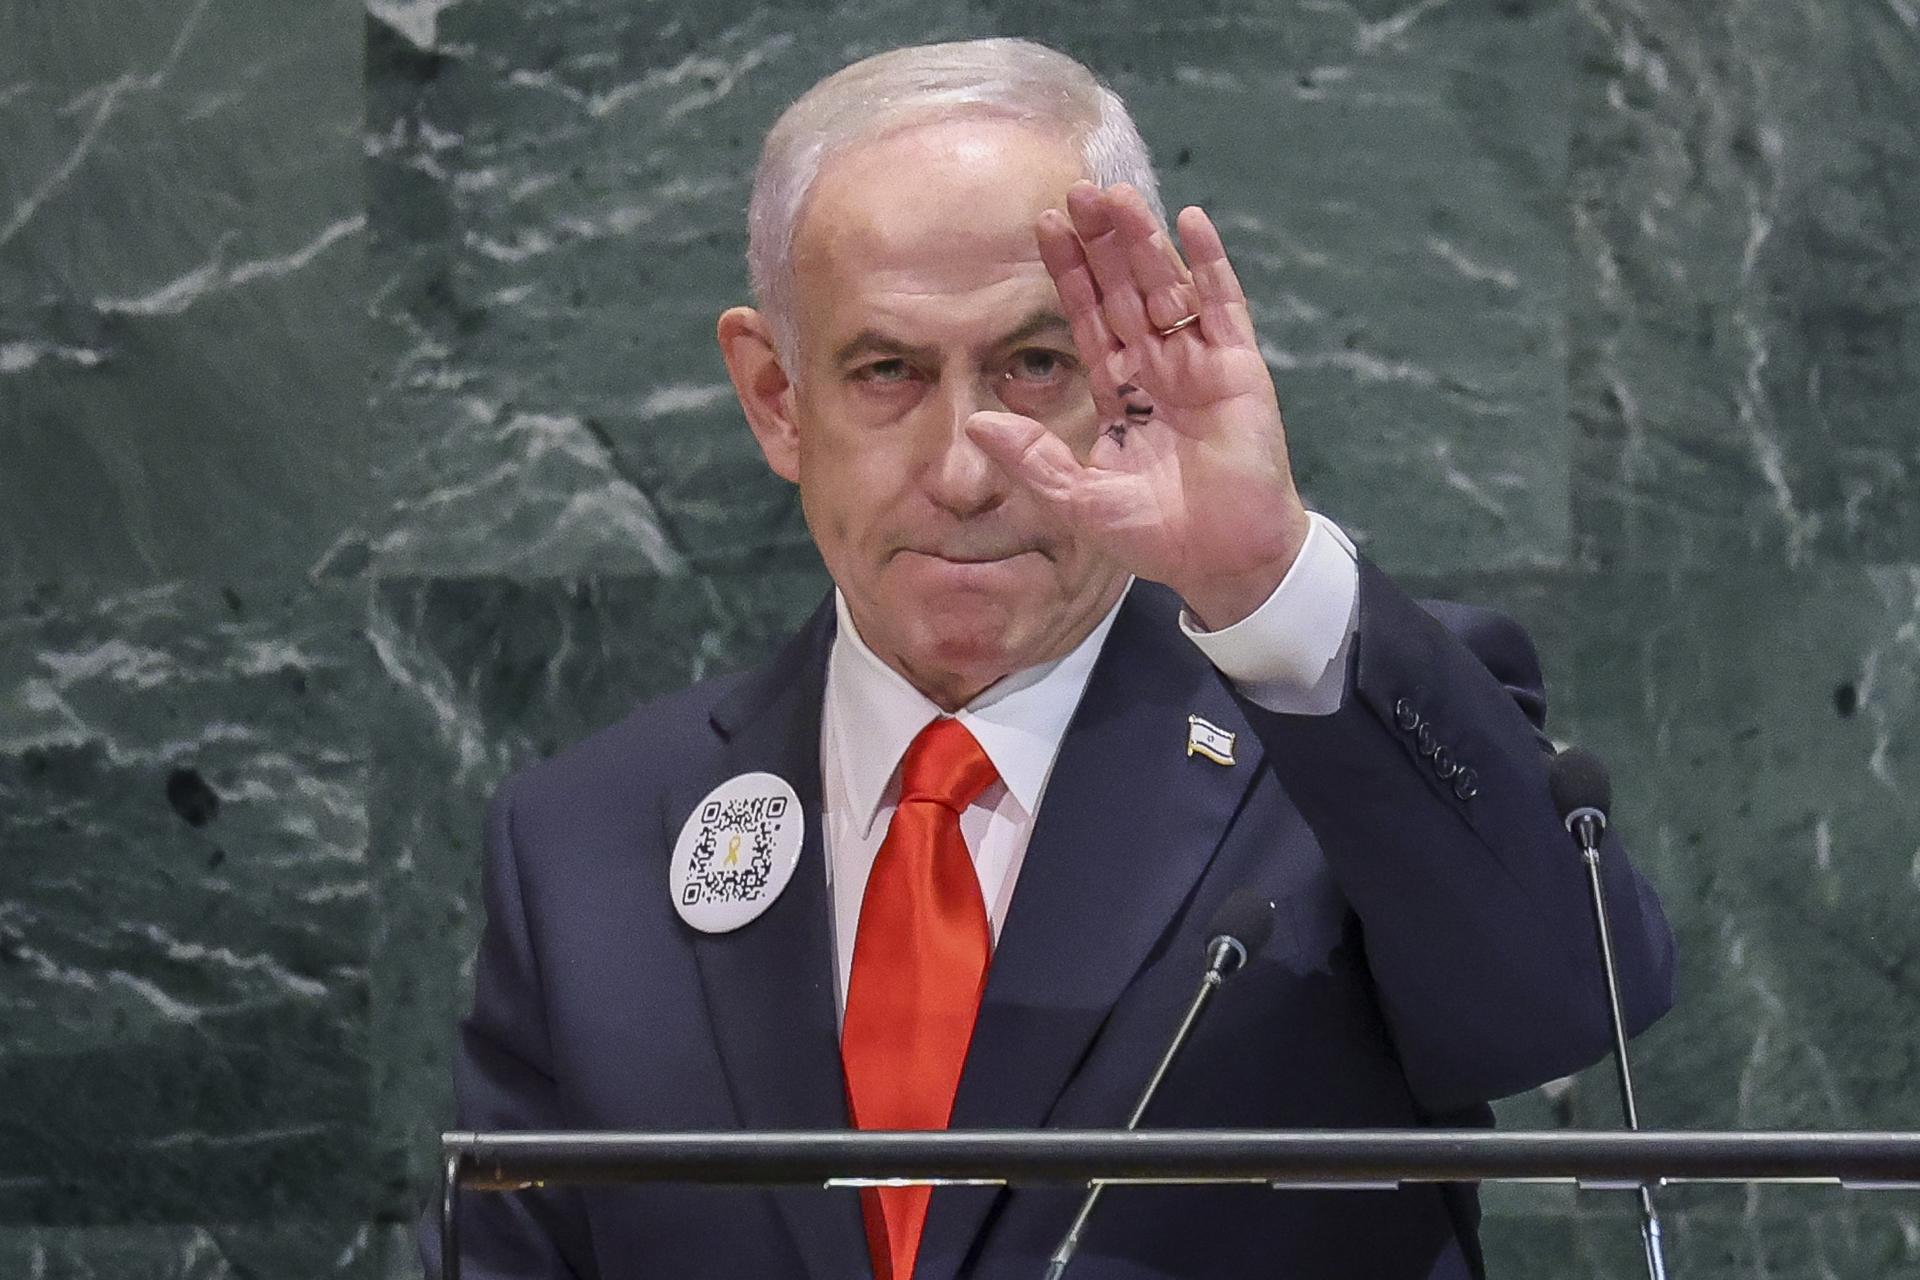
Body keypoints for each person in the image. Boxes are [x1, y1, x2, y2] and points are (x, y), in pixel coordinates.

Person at [421, 37, 1675, 1280]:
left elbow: (1570, 1003)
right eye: (887, 371)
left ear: (1126, 364)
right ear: (775, 396)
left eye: (1035, 365)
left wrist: (1263, 582)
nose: (969, 468)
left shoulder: (1332, 738)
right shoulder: (583, 845)